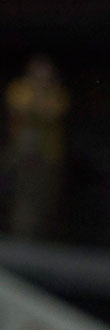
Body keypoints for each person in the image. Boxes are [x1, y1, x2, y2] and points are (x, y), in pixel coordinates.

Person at [4, 55, 69, 239]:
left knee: (41, 196)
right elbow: (20, 109)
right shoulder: (20, 88)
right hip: (21, 151)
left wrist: (38, 103)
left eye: (45, 71)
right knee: (17, 191)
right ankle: (16, 233)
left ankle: (32, 236)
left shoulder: (56, 93)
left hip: (47, 154)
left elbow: (51, 114)